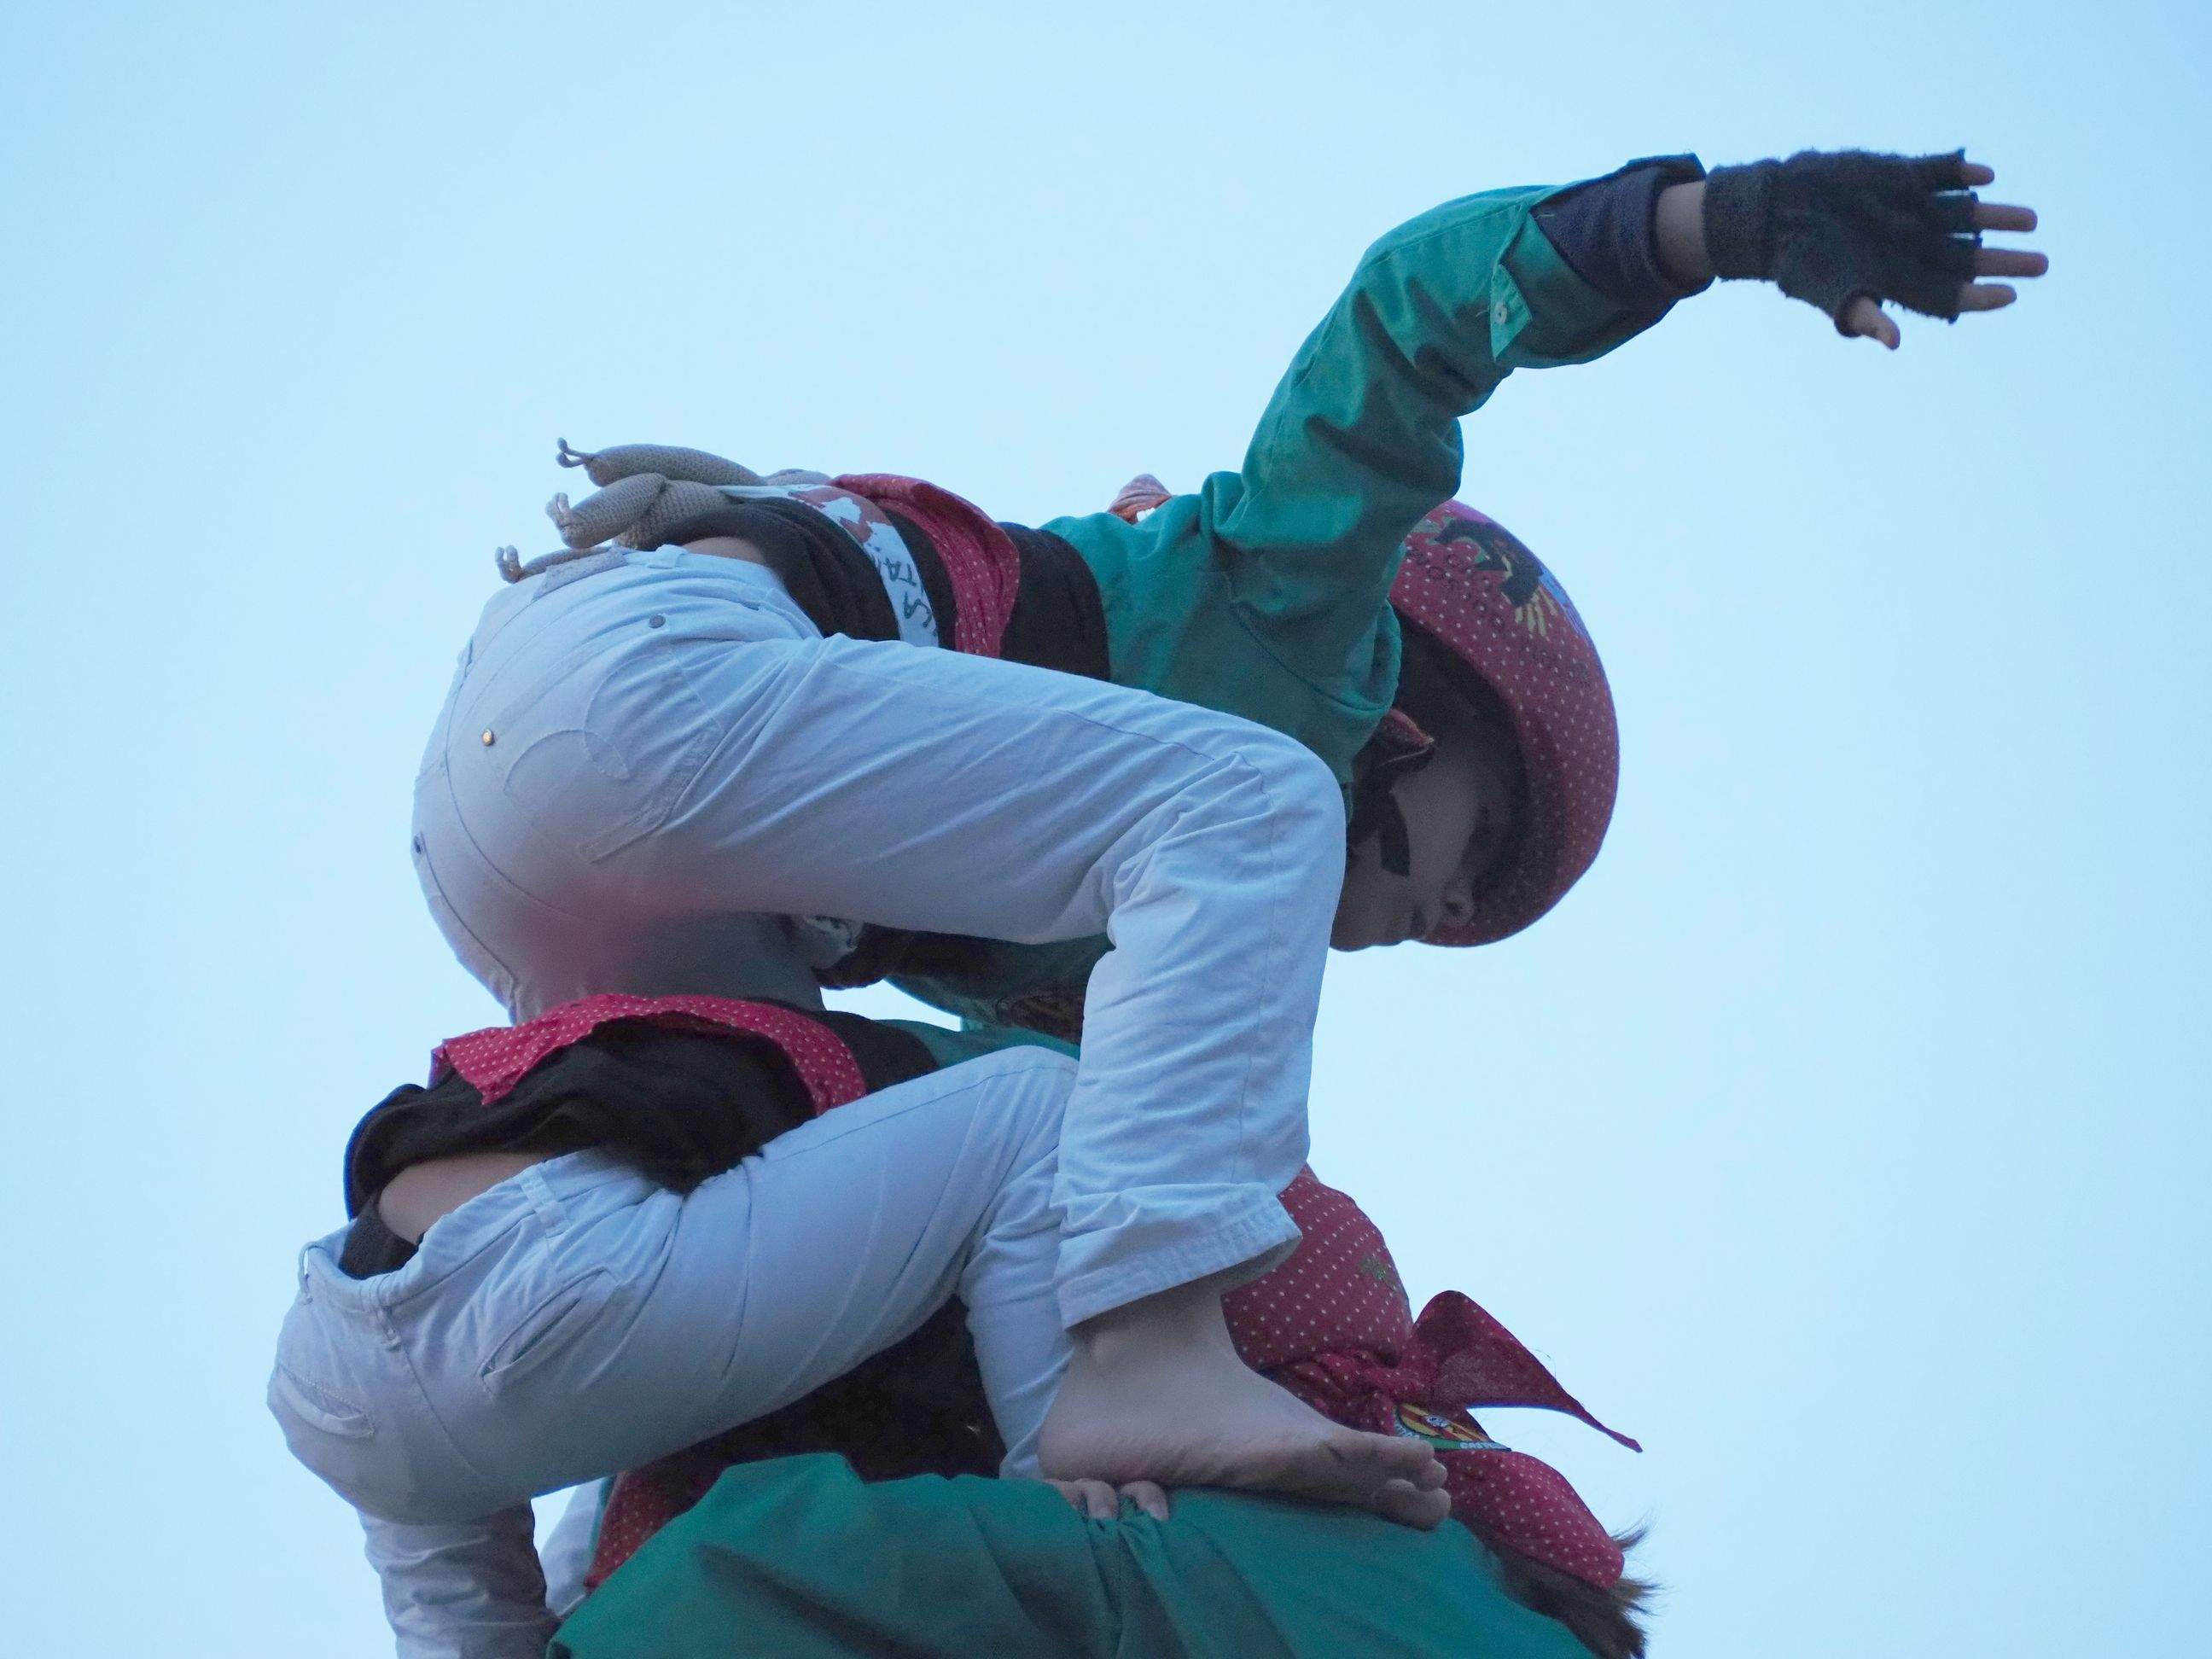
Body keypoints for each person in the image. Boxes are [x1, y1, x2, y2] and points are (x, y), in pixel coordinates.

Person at [407, 146, 2045, 1515]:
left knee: (756, 1184)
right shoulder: (1296, 609)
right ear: (1414, 709)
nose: (1434, 922)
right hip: (640, 702)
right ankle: (1150, 1364)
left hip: (527, 865)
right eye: (1464, 853)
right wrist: (1713, 224)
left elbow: (1102, 1160)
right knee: (1252, 808)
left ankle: (565, 1570)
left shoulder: (1103, 946)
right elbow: (1403, 324)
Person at [271, 995, 1638, 1657]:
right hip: (548, 1279)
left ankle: (1081, 1422)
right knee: (1038, 1109)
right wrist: (1064, 1475)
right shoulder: (1318, 1561)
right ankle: (1072, 1437)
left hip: (349, 1345)